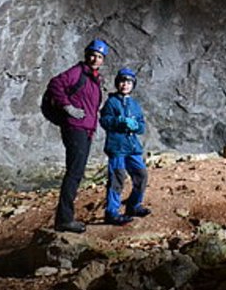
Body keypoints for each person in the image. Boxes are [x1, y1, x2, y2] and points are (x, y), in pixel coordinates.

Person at [48, 38, 109, 232]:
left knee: (76, 172)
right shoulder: (78, 72)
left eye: (99, 56)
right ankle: (64, 219)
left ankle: (64, 218)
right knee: (74, 172)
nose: (94, 58)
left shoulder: (93, 77)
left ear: (103, 60)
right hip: (75, 127)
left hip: (85, 129)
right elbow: (56, 84)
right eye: (92, 54)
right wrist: (68, 107)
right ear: (86, 54)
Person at [99, 67, 150, 225]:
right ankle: (112, 212)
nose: (125, 85)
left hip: (133, 147)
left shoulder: (135, 105)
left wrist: (136, 126)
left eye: (128, 82)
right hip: (117, 147)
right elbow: (104, 121)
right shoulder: (111, 102)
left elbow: (142, 127)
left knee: (141, 175)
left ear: (133, 85)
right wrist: (119, 121)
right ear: (117, 83)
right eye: (122, 81)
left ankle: (134, 205)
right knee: (117, 178)